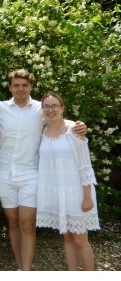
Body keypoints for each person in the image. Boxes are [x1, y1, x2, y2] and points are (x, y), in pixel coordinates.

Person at [0, 69, 87, 271]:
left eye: (24, 85)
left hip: (31, 174)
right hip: (5, 173)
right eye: (16, 85)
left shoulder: (40, 110)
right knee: (13, 223)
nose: (20, 89)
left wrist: (78, 126)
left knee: (27, 224)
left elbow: (58, 120)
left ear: (31, 87)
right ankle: (19, 267)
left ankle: (26, 270)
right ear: (10, 87)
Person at [36, 91, 100, 271]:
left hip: (78, 193)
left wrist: (87, 196)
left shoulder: (74, 130)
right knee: (67, 237)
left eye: (55, 105)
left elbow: (85, 166)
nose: (50, 109)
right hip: (59, 193)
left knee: (80, 239)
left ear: (62, 108)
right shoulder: (43, 131)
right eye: (46, 106)